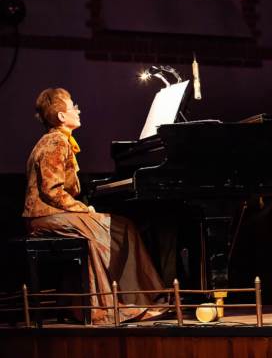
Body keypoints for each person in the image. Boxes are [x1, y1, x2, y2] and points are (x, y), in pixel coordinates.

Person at [23, 88, 166, 324]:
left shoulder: (57, 140)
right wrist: (82, 208)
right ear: (61, 116)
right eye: (73, 106)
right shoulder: (56, 141)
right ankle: (108, 306)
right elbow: (52, 191)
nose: (78, 110)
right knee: (110, 229)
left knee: (120, 227)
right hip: (46, 216)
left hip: (50, 214)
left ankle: (134, 298)